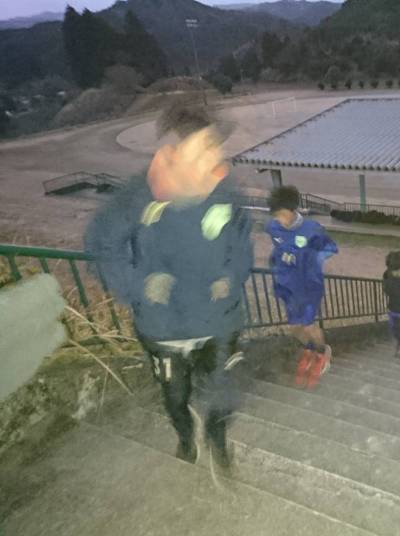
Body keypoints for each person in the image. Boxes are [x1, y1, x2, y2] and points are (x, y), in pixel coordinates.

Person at [84, 103, 254, 469]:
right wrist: (138, 285)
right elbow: (101, 245)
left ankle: (217, 441)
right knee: (175, 395)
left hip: (218, 321)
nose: (213, 159)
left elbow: (242, 245)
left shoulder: (226, 193)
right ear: (171, 155)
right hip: (163, 328)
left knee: (221, 392)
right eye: (202, 150)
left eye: (214, 147)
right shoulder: (137, 196)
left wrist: (232, 275)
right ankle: (185, 438)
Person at [267, 185, 338, 389]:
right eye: (276, 216)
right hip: (289, 286)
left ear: (292, 210)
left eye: (281, 215)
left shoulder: (312, 229)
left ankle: (323, 352)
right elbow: (278, 247)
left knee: (308, 324)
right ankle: (309, 348)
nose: (279, 219)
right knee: (295, 327)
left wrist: (309, 259)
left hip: (309, 286)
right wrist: (277, 259)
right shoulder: (273, 228)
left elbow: (331, 248)